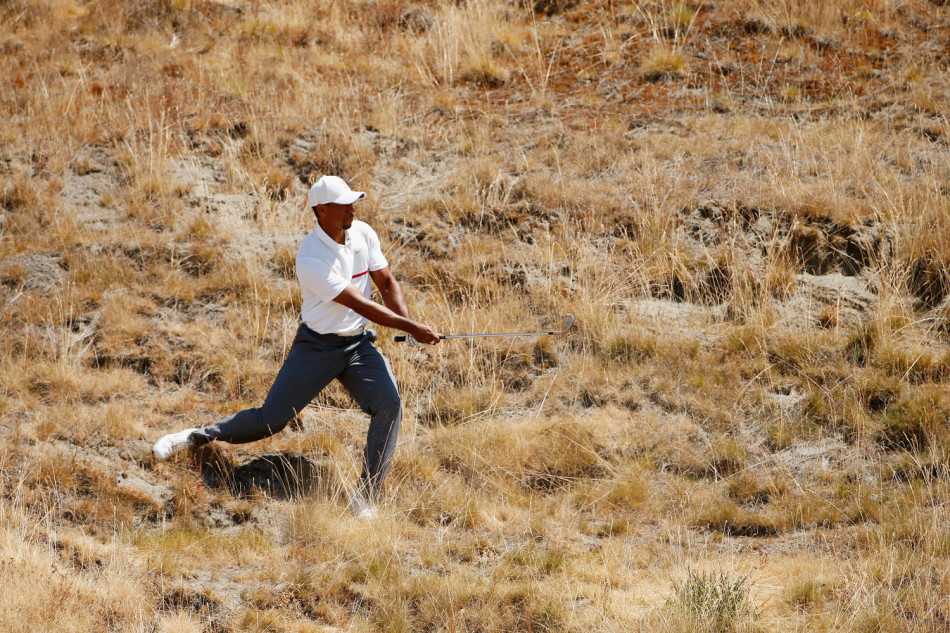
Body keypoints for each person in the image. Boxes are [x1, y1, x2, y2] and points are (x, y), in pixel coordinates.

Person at [152, 175, 441, 518]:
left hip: (358, 346)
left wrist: (405, 325)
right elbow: (359, 304)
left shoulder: (364, 233)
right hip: (317, 347)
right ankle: (196, 436)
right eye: (344, 204)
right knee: (270, 420)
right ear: (321, 210)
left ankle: (366, 496)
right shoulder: (312, 257)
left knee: (389, 405)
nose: (352, 208)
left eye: (353, 202)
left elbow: (387, 281)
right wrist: (412, 327)